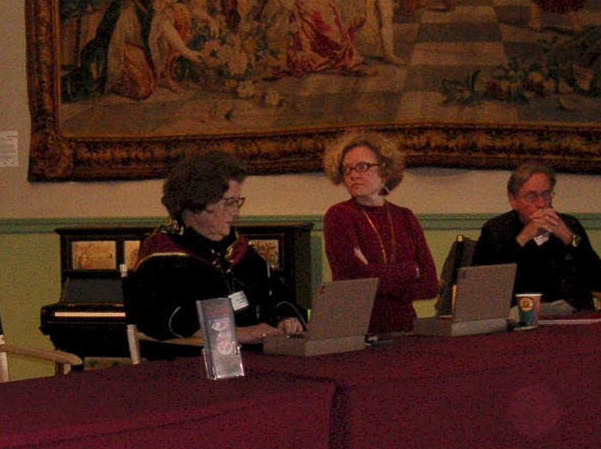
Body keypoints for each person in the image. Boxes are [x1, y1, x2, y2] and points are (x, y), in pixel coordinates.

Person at [127, 150, 305, 350]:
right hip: (191, 361)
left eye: (238, 202)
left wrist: (286, 320)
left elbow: (278, 295)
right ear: (199, 203)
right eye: (229, 203)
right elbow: (158, 319)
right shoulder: (162, 254)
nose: (236, 213)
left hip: (257, 354)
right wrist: (237, 334)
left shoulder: (237, 247)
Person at [321, 131, 439, 334]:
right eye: (347, 169)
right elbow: (354, 281)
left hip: (406, 328)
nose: (353, 175)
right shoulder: (339, 216)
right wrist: (410, 270)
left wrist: (374, 274)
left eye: (362, 167)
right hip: (359, 329)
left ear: (385, 171)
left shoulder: (405, 217)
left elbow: (430, 286)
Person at [471, 162, 601, 311]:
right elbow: (483, 287)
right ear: (513, 200)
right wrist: (523, 238)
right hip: (521, 315)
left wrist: (570, 239)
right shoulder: (496, 230)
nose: (541, 203)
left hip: (572, 315)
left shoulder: (569, 225)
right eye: (531, 196)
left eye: (546, 195)